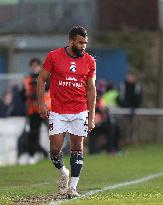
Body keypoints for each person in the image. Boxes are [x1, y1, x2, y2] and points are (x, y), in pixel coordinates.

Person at [37, 26, 96, 198]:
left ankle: (72, 188)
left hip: (80, 111)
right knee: (55, 148)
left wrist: (91, 116)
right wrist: (41, 104)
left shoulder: (90, 61)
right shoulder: (53, 56)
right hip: (58, 111)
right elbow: (41, 79)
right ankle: (63, 171)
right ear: (70, 41)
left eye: (85, 43)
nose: (83, 46)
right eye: (80, 42)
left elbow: (91, 90)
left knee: (77, 147)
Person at [18, 58, 50, 164]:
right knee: (33, 134)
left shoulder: (45, 76)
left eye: (37, 65)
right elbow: (22, 95)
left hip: (46, 109)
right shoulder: (27, 79)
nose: (35, 67)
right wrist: (27, 91)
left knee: (53, 132)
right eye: (33, 66)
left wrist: (39, 83)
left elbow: (48, 88)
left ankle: (56, 153)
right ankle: (32, 156)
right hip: (34, 110)